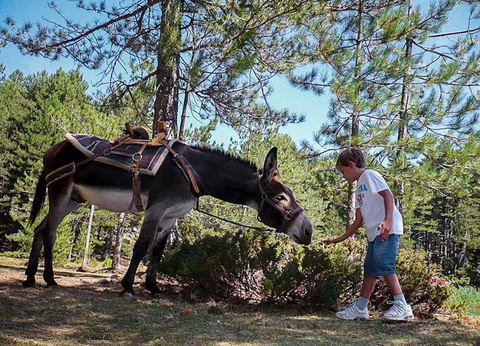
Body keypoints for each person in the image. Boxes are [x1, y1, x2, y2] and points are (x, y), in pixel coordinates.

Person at [324, 147, 414, 321]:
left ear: (351, 165)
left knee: (383, 263)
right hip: (374, 233)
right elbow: (358, 221)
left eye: (343, 172)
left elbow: (388, 195)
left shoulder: (369, 175)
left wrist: (388, 221)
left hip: (388, 229)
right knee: (370, 269)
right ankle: (360, 308)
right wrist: (339, 239)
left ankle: (402, 305)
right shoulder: (359, 189)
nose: (343, 176)